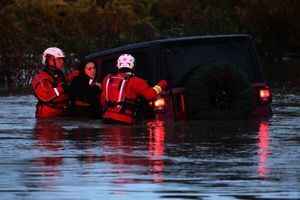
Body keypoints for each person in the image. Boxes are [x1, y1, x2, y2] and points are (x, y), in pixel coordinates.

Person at [100, 54, 168, 124]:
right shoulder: (136, 81)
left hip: (106, 119)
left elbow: (102, 100)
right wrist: (163, 84)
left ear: (117, 65)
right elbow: (150, 95)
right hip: (125, 120)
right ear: (133, 66)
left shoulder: (107, 79)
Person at [31, 47, 78, 118]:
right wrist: (62, 88)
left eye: (62, 59)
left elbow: (63, 83)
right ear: (50, 60)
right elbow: (45, 96)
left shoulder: (58, 74)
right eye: (59, 59)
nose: (62, 62)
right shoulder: (41, 78)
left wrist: (75, 75)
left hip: (61, 112)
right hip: (47, 118)